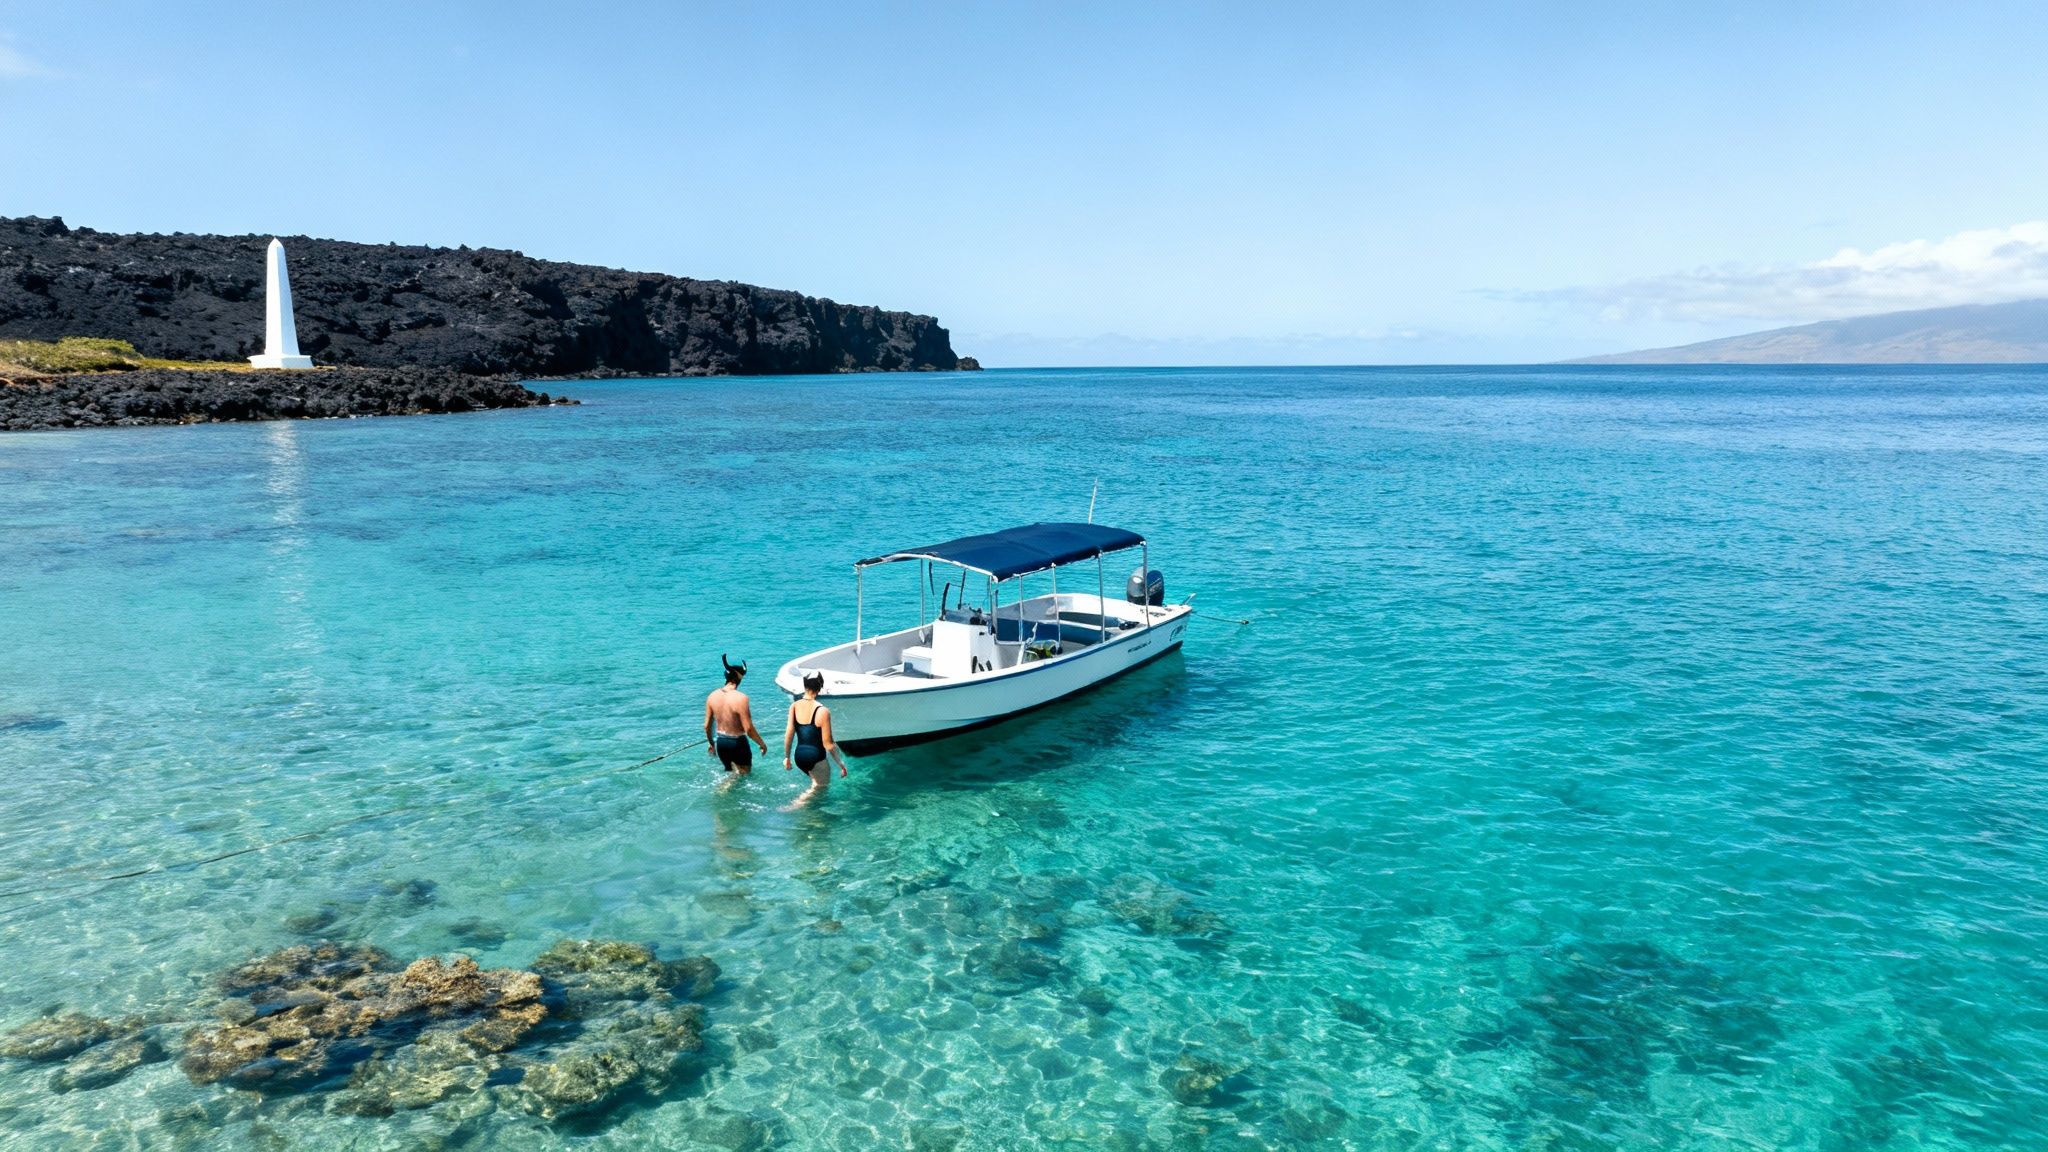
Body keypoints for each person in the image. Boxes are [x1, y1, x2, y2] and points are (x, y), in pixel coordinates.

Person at [782, 671, 848, 806]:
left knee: (815, 783)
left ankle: (811, 815)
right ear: (819, 688)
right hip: (815, 757)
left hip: (799, 756)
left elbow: (789, 733)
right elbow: (828, 744)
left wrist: (787, 757)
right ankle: (793, 806)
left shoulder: (794, 706)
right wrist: (841, 763)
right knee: (819, 788)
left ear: (805, 687)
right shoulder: (823, 711)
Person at [704, 654, 767, 775]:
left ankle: (723, 789)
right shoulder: (741, 698)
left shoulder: (712, 696)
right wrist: (762, 744)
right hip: (737, 743)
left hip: (721, 743)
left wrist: (712, 744)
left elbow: (707, 726)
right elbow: (748, 729)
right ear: (739, 679)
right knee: (743, 774)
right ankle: (722, 790)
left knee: (733, 773)